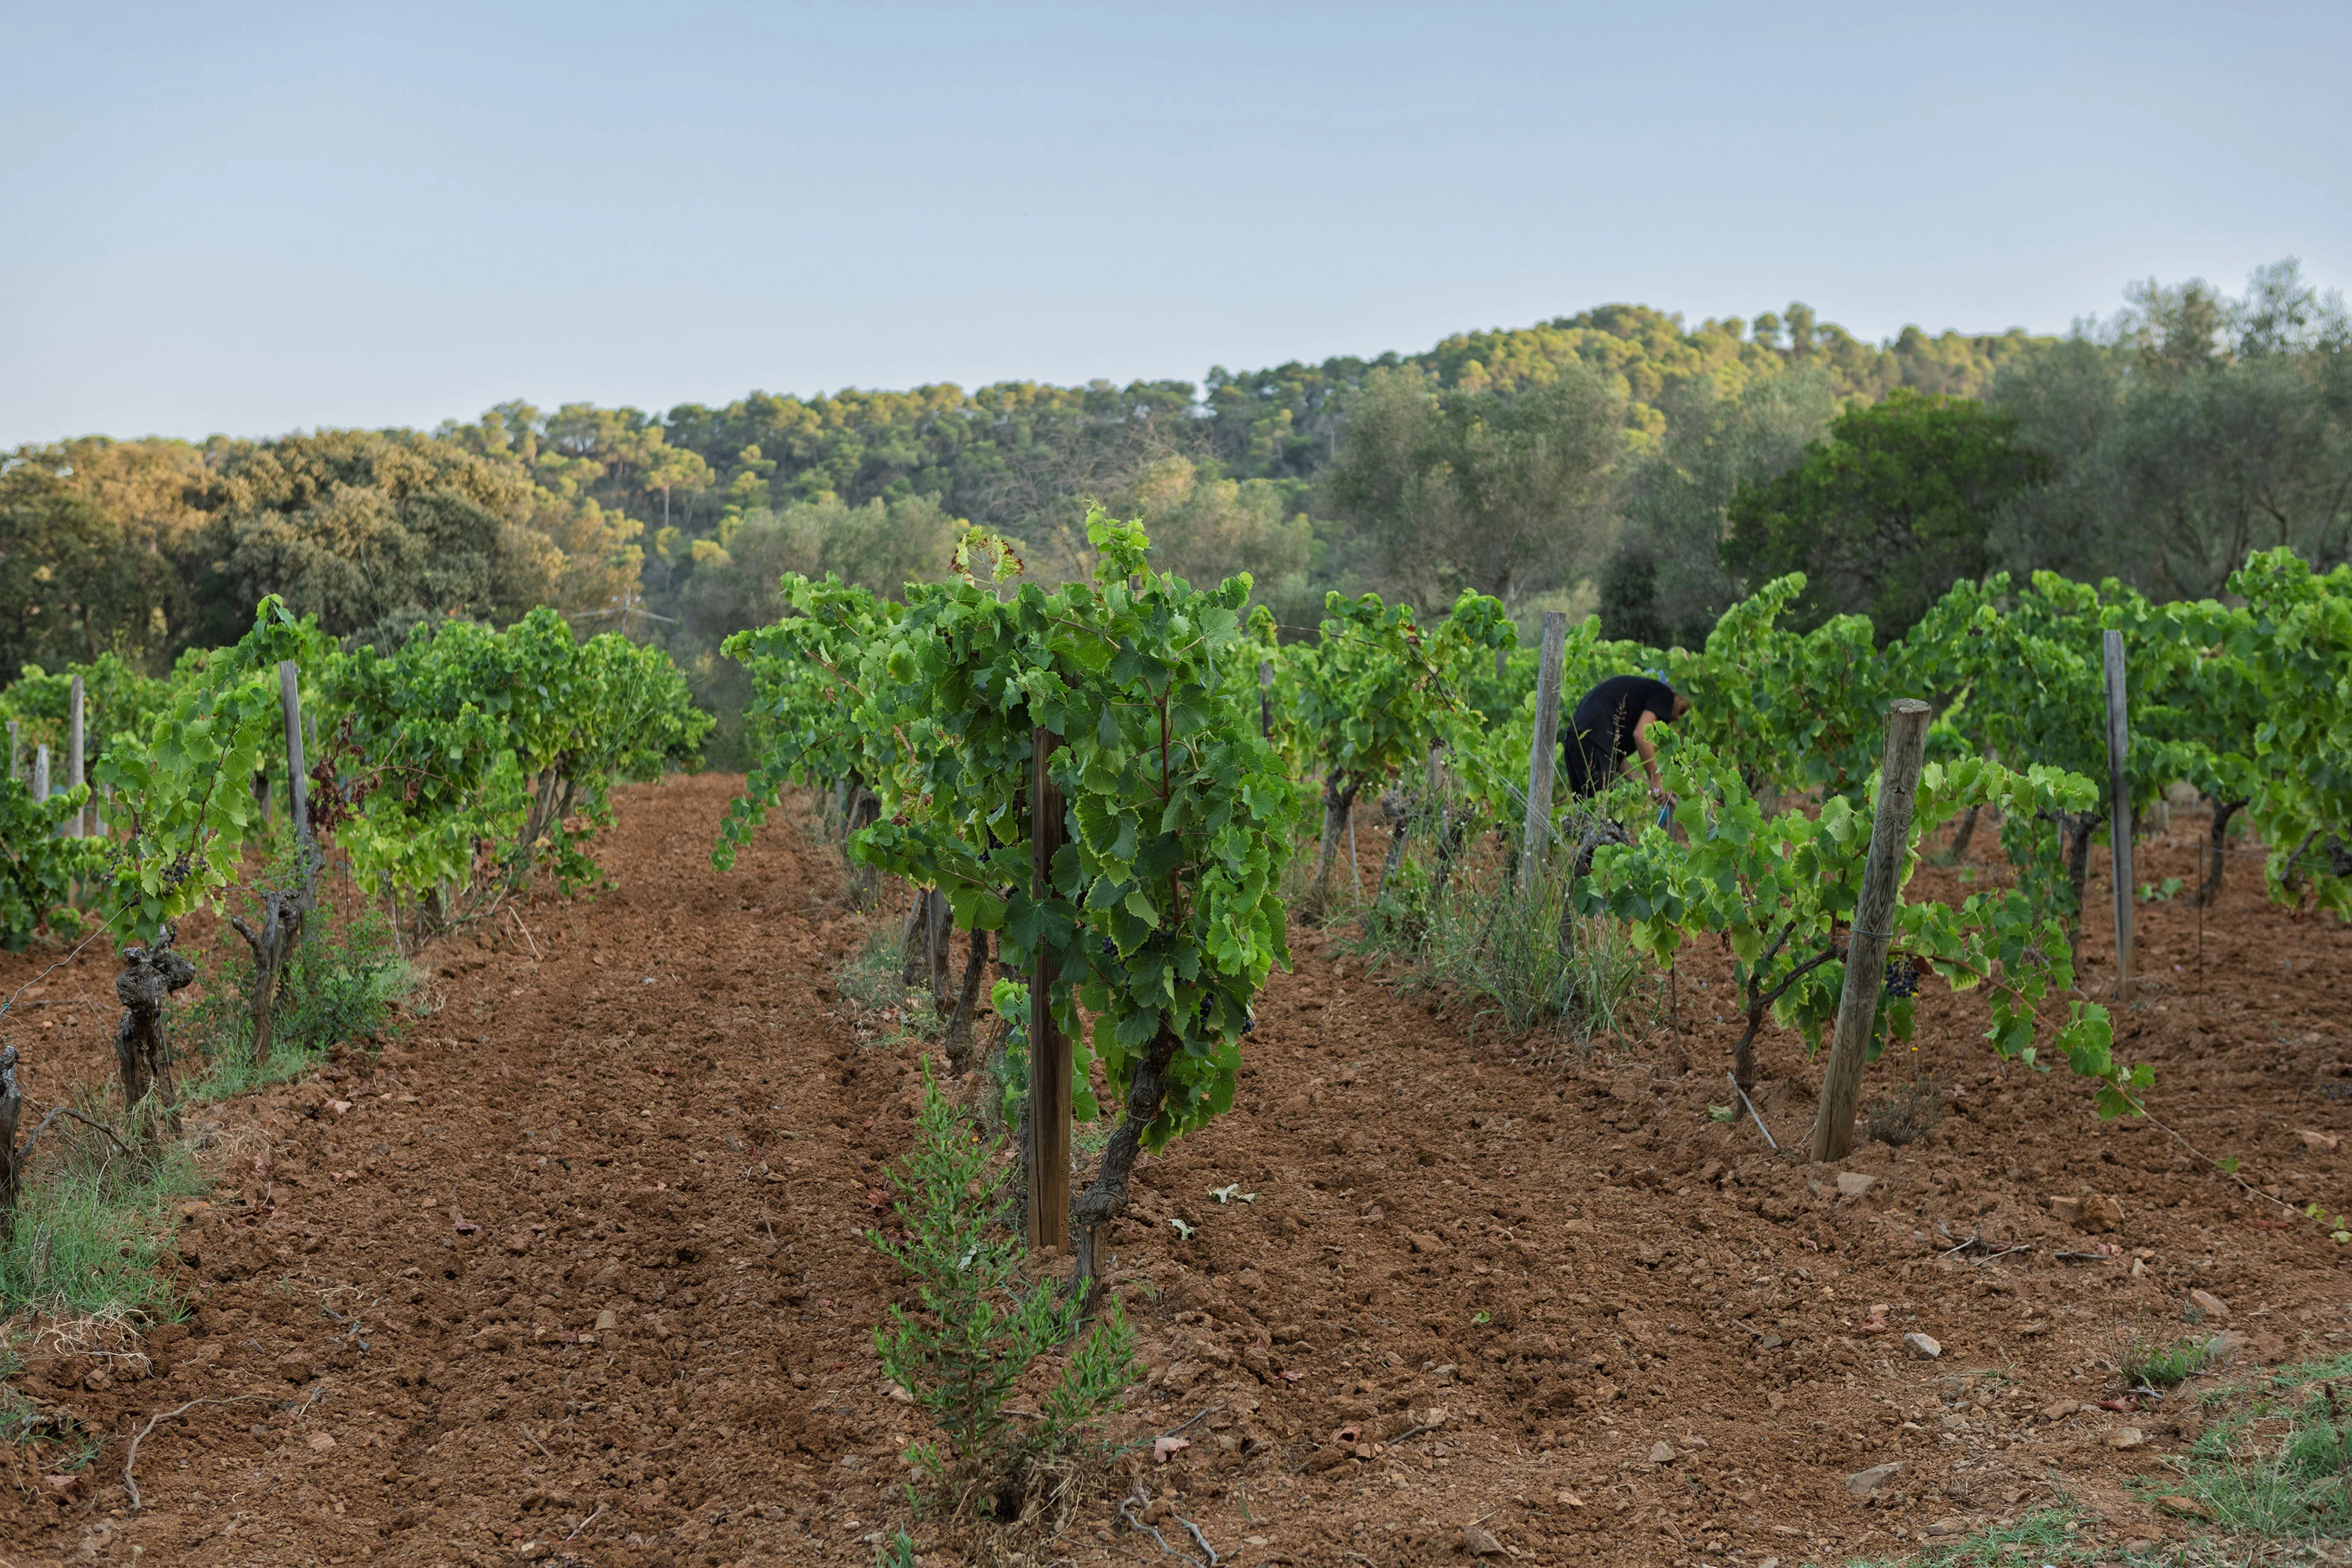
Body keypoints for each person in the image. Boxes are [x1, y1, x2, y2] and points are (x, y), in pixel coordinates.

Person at [1561, 673, 1690, 802]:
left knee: (1586, 811)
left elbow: (1617, 760)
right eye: (1682, 710)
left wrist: (1648, 786)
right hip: (1593, 737)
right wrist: (1657, 780)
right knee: (1604, 814)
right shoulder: (1665, 695)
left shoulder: (1638, 702)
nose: (1678, 718)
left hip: (1575, 738)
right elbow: (1641, 735)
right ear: (1677, 694)